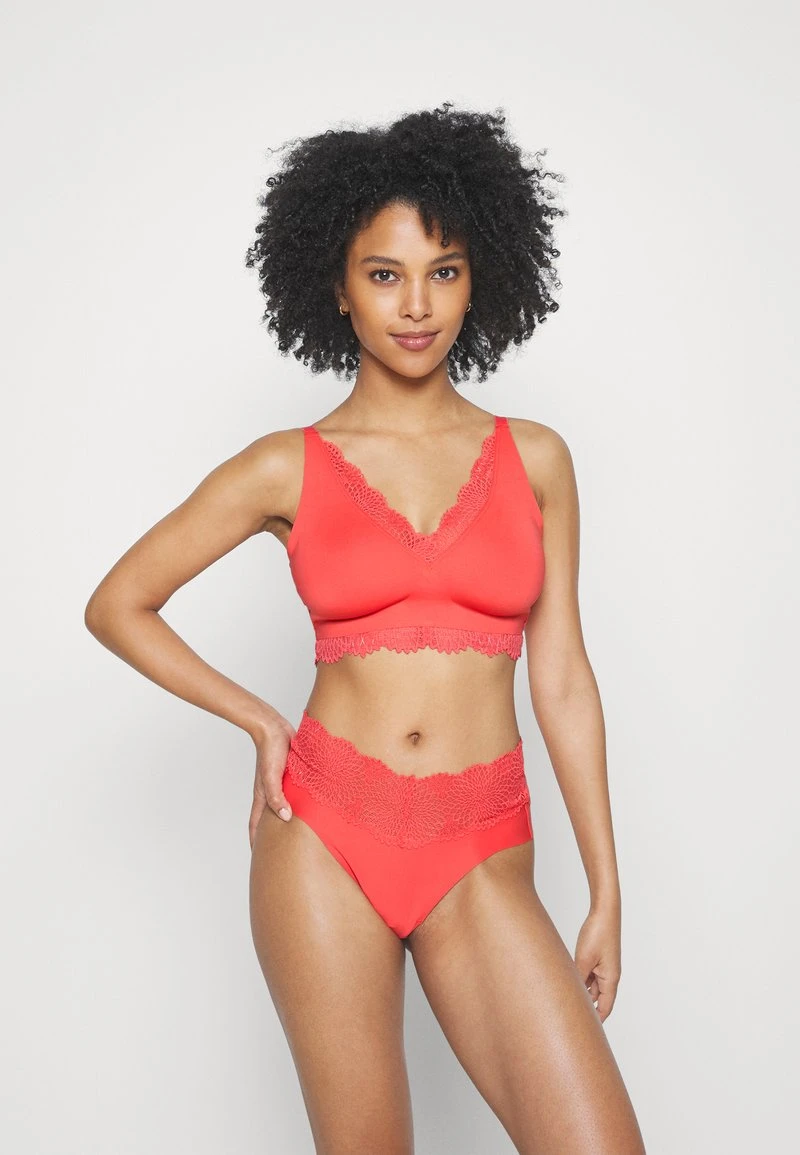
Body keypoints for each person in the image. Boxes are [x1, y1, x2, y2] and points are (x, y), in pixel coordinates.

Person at [85, 103, 646, 1154]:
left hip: (482, 841)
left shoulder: (536, 460)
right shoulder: (283, 466)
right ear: (337, 287)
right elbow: (117, 603)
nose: (415, 304)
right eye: (384, 274)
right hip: (325, 835)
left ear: (479, 279)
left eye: (443, 271)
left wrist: (607, 888)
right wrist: (260, 720)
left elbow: (563, 677)